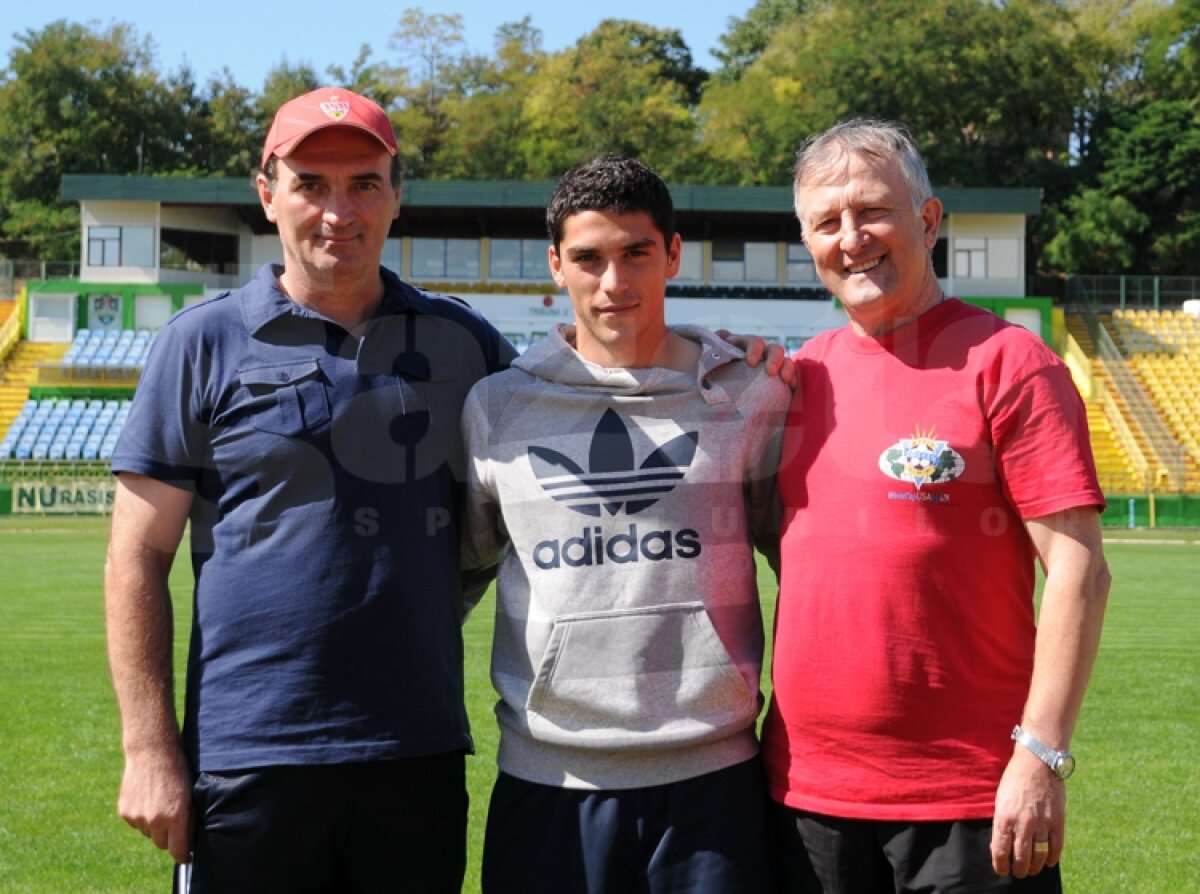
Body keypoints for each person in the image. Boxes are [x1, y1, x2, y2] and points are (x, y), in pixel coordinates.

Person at [104, 86, 516, 893]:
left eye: (364, 182)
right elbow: (135, 557)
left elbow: (584, 396)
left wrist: (711, 350)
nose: (340, 210)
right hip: (249, 754)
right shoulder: (201, 342)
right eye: (310, 184)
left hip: (417, 752)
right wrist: (149, 749)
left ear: (397, 195)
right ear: (267, 195)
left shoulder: (464, 343)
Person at [762, 118, 1112, 893]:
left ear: (928, 218)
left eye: (872, 211)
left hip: (968, 803)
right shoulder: (795, 379)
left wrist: (1041, 754)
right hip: (803, 799)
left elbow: (1079, 569)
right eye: (826, 222)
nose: (851, 238)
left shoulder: (1011, 362)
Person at [459, 154, 792, 893]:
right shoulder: (498, 408)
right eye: (589, 258)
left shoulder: (750, 395)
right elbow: (461, 572)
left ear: (673, 253)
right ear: (555, 265)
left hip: (714, 783)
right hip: (550, 780)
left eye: (637, 252)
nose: (614, 282)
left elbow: (806, 566)